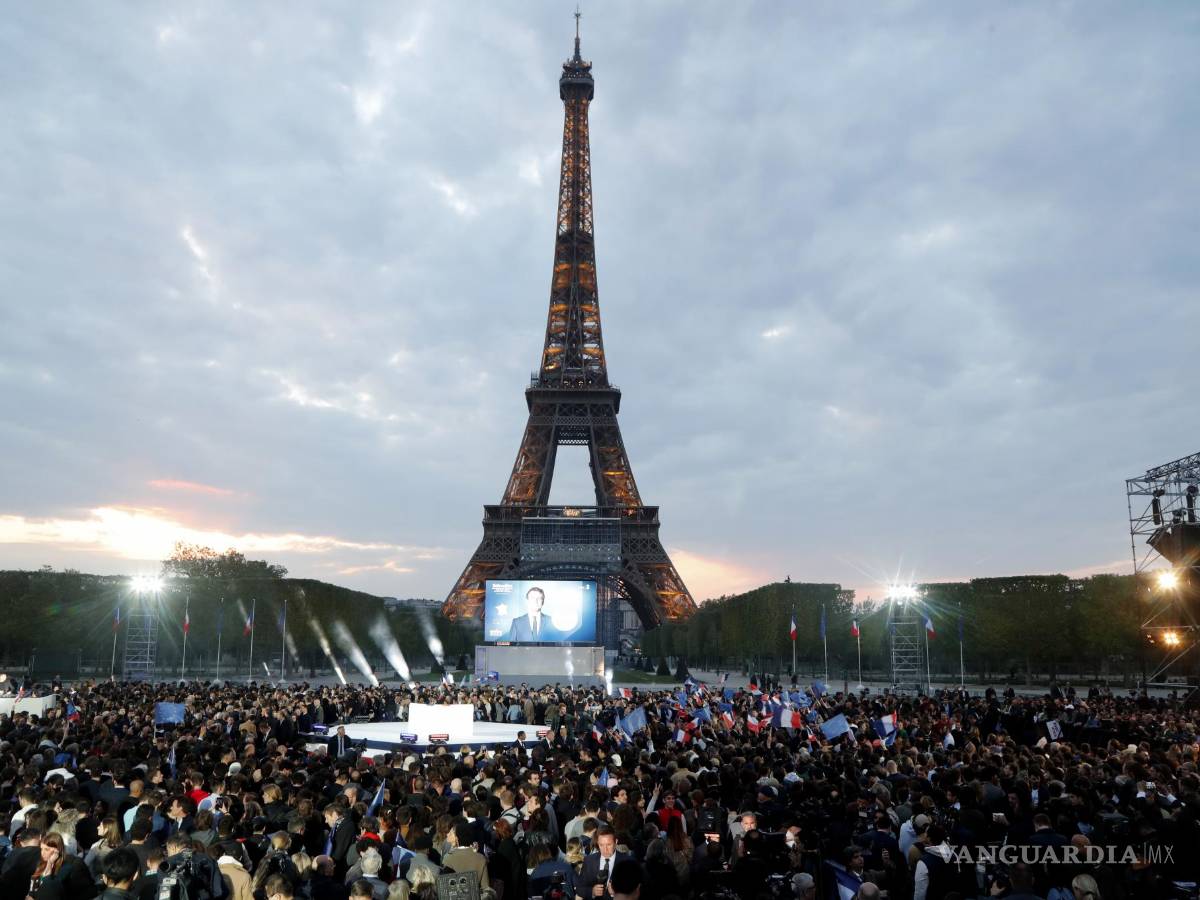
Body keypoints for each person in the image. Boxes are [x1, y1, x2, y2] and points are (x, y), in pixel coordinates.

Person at [26, 832, 98, 900]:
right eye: (41, 849)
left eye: (46, 849)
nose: (42, 853)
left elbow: (88, 892)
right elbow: (33, 886)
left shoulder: (74, 864)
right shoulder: (40, 861)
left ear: (57, 850)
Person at [576, 827, 631, 900]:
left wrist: (618, 893)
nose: (605, 849)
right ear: (598, 843)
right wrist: (592, 891)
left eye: (609, 845)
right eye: (601, 845)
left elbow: (635, 891)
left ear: (616, 842)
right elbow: (579, 888)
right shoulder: (589, 860)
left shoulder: (627, 862)